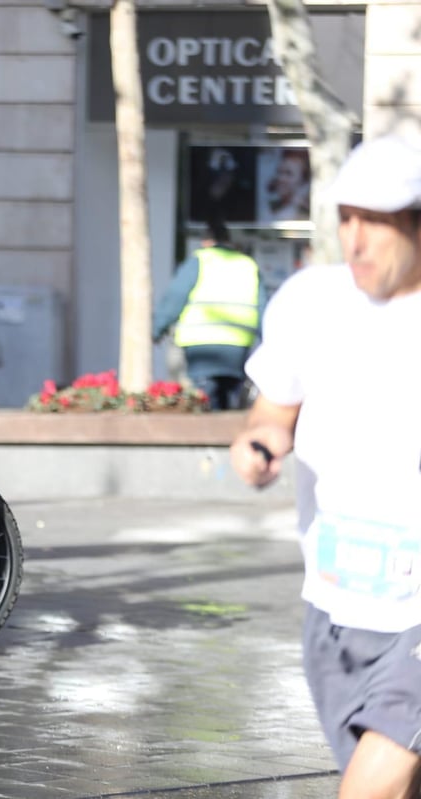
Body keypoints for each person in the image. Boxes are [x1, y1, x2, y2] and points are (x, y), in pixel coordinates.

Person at [229, 135, 421, 796]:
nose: (356, 238)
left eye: (378, 220)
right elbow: (270, 415)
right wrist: (258, 448)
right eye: (346, 217)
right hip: (337, 608)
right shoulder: (312, 302)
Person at [152, 219, 266, 410]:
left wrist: (157, 328)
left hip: (200, 346)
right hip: (237, 347)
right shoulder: (248, 265)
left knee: (206, 400)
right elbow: (262, 307)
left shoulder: (199, 260)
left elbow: (175, 297)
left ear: (206, 242)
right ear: (229, 242)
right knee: (230, 398)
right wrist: (268, 342)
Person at [260, 148, 311, 224]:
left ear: (303, 181)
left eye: (288, 173)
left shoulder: (305, 211)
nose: (280, 178)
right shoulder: (270, 207)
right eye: (279, 172)